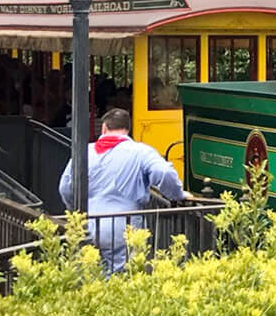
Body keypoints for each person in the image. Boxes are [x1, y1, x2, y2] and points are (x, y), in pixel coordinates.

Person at [58, 108, 185, 274]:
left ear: (104, 128)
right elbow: (164, 173)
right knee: (122, 281)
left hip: (88, 226)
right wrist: (177, 195)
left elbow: (65, 187)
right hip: (125, 229)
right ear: (127, 129)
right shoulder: (141, 152)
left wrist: (76, 210)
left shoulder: (84, 152)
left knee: (90, 279)